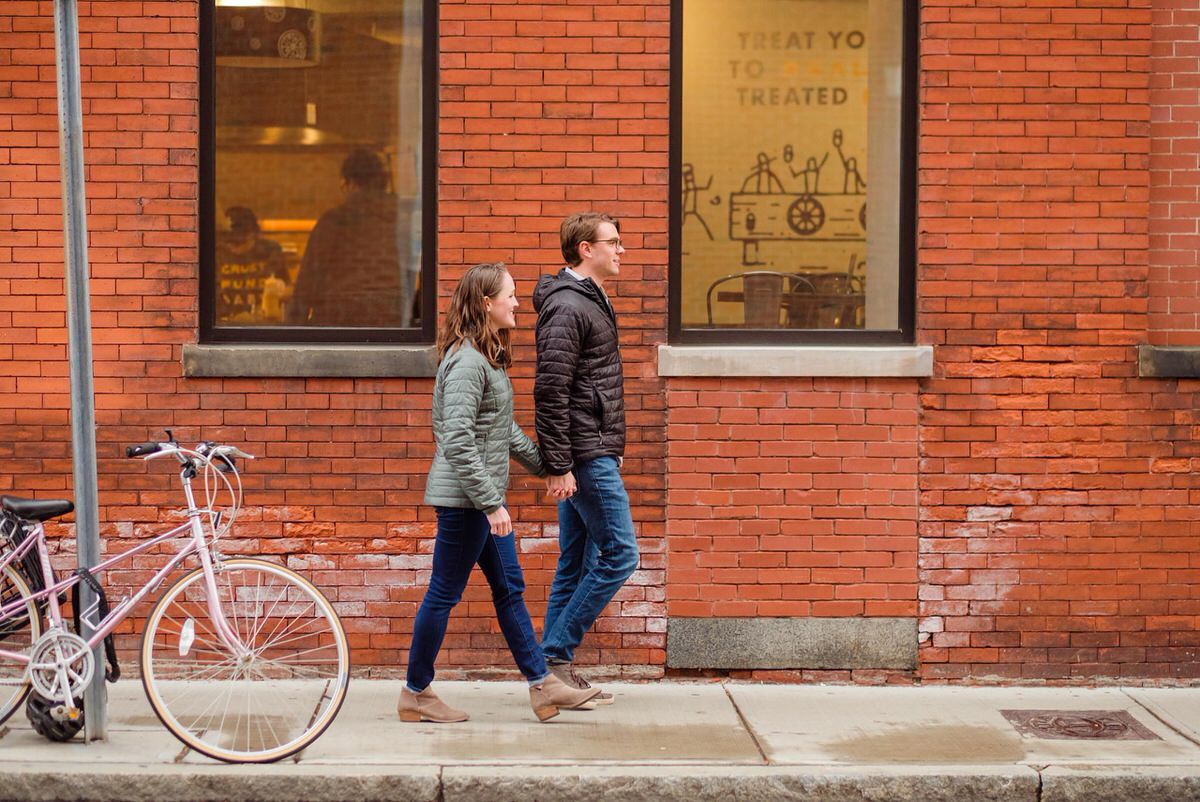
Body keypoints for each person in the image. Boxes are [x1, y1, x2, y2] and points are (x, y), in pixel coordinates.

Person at [400, 262, 601, 724]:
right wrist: (491, 502)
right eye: (510, 295)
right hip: (466, 502)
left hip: (479, 500)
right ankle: (415, 691)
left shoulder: (485, 358)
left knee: (510, 589)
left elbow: (503, 432)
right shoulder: (469, 362)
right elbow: (457, 438)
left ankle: (543, 688)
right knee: (444, 594)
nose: (517, 303)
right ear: (486, 303)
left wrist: (552, 468)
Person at [533, 212, 639, 706]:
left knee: (576, 560)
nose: (621, 250)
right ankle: (554, 653)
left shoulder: (589, 300)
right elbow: (550, 390)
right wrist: (559, 464)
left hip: (592, 450)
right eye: (612, 243)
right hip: (584, 452)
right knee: (621, 554)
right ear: (583, 249)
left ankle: (549, 676)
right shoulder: (568, 307)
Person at [288, 148, 411, 327]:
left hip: (338, 323)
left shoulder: (334, 221)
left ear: (350, 183)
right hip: (390, 321)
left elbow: (307, 284)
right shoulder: (401, 222)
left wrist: (294, 333)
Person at [215, 206, 287, 324]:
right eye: (229, 242)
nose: (234, 248)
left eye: (240, 241)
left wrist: (277, 296)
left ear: (253, 234)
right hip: (226, 327)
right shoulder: (217, 254)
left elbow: (289, 290)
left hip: (265, 325)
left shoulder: (269, 251)